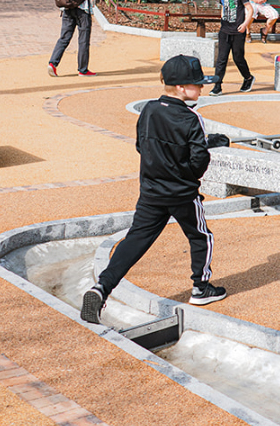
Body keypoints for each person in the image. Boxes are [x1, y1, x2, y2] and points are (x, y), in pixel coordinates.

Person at [80, 54, 227, 320]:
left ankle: (102, 287)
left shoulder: (148, 110)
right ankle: (201, 287)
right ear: (181, 87)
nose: (201, 88)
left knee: (135, 240)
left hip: (151, 191)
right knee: (201, 236)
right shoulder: (192, 118)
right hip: (182, 194)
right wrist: (187, 174)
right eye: (197, 83)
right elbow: (199, 160)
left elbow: (141, 145)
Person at [209, 0, 254, 96]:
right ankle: (217, 85)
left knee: (238, 58)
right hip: (224, 31)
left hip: (238, 31)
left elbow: (250, 9)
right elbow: (223, 8)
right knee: (221, 59)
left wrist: (245, 24)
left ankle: (248, 78)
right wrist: (222, 21)